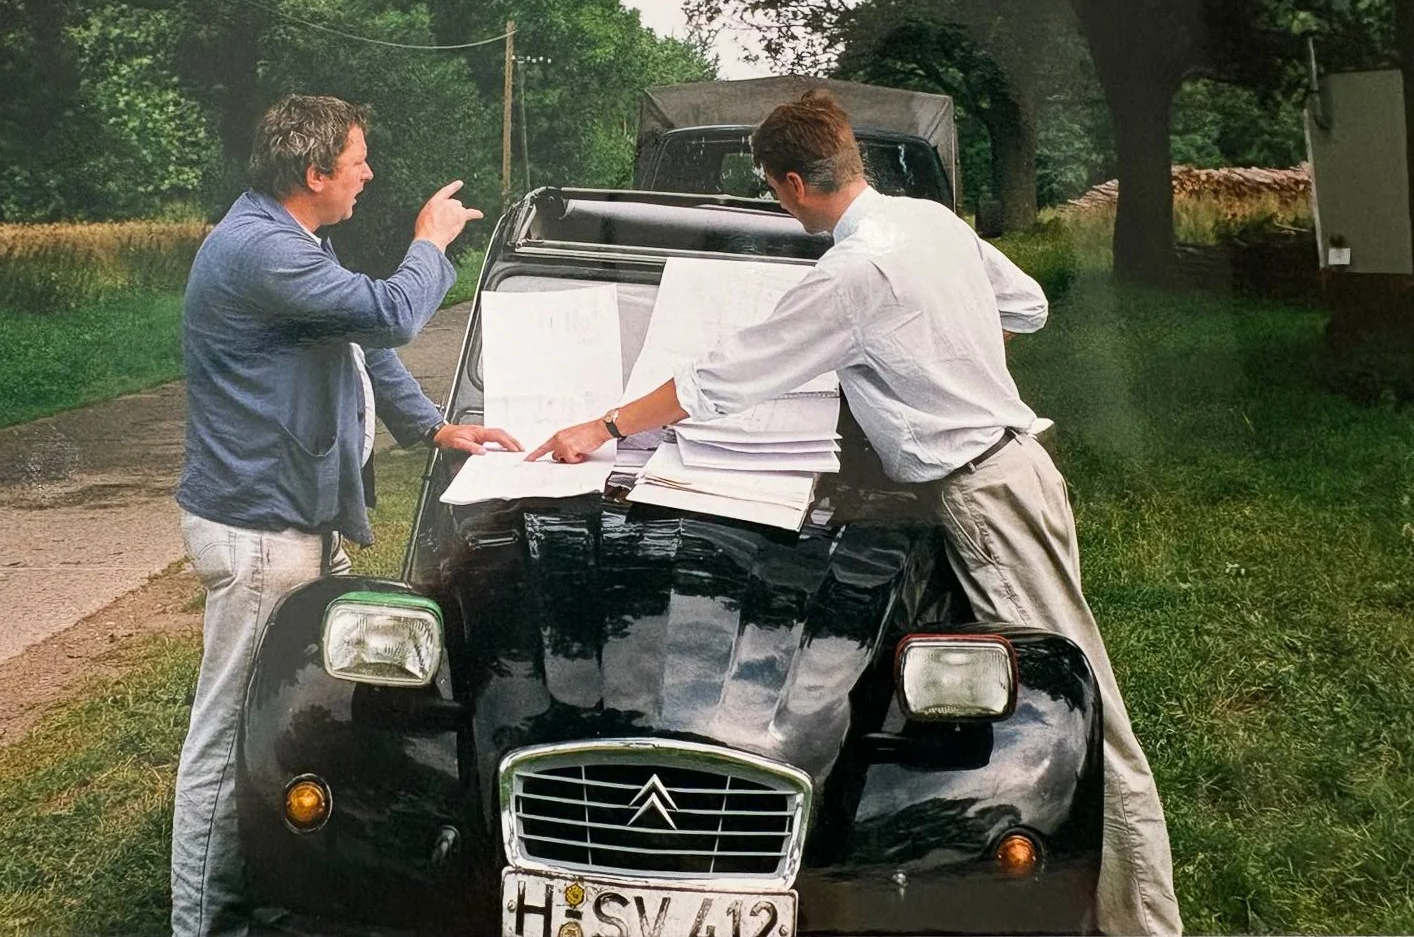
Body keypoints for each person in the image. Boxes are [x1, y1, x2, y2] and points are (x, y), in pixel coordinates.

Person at [528, 89, 1183, 936]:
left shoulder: (852, 272)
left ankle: (1144, 924)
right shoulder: (929, 223)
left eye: (772, 189)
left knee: (1084, 711)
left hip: (984, 492)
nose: (777, 202)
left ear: (795, 183)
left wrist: (606, 424)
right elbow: (1026, 306)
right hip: (1013, 474)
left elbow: (719, 381)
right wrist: (940, 360)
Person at [172, 94, 520, 937]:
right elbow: (396, 309)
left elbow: (363, 340)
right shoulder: (258, 250)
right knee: (228, 741)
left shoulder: (292, 242)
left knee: (299, 718)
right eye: (357, 160)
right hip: (262, 531)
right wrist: (431, 242)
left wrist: (433, 425)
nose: (368, 173)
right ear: (314, 172)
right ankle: (204, 924)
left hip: (291, 522)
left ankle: (280, 883)